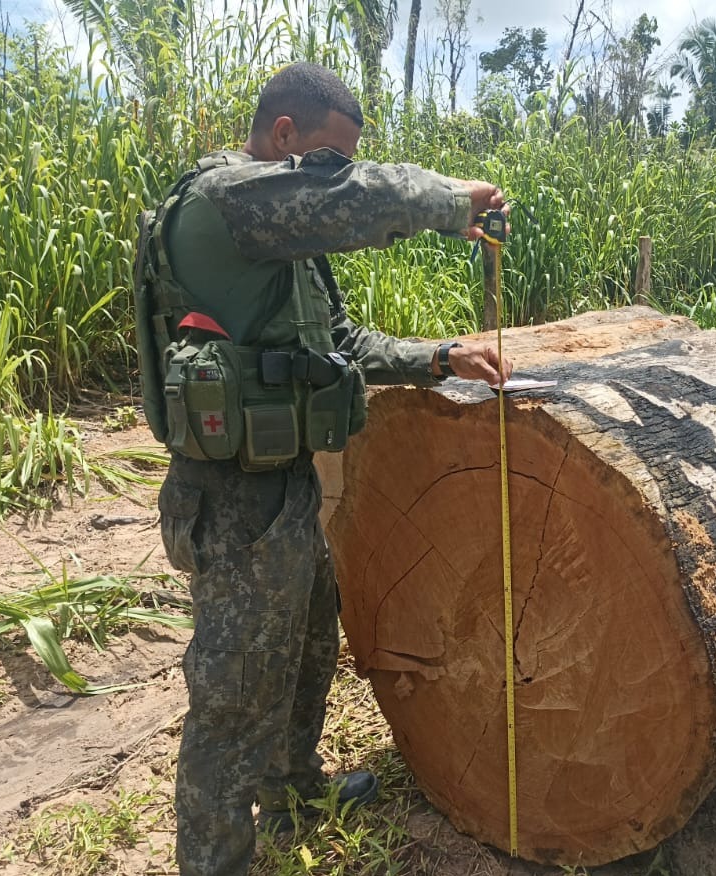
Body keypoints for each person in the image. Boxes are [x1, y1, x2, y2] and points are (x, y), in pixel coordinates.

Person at [144, 63, 513, 876]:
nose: (335, 173)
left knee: (309, 645)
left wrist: (438, 356)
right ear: (284, 137)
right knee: (234, 695)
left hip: (285, 490)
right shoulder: (231, 203)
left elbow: (338, 346)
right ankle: (217, 862)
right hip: (231, 498)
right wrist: (450, 201)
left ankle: (293, 790)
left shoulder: (283, 244)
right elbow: (353, 200)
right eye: (327, 157)